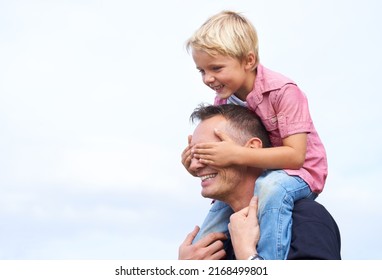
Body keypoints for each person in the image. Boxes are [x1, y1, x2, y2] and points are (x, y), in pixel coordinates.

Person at [181, 10, 328, 260]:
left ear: (248, 61)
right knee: (210, 225)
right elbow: (233, 148)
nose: (208, 78)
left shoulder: (283, 92)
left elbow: (295, 157)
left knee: (270, 187)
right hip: (263, 174)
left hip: (299, 174)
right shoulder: (225, 98)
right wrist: (199, 161)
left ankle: (265, 262)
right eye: (201, 71)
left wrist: (235, 154)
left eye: (216, 68)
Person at [178, 104, 341, 260]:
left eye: (208, 152)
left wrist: (248, 256)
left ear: (252, 149)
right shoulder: (213, 247)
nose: (194, 165)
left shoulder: (305, 218)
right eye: (194, 155)